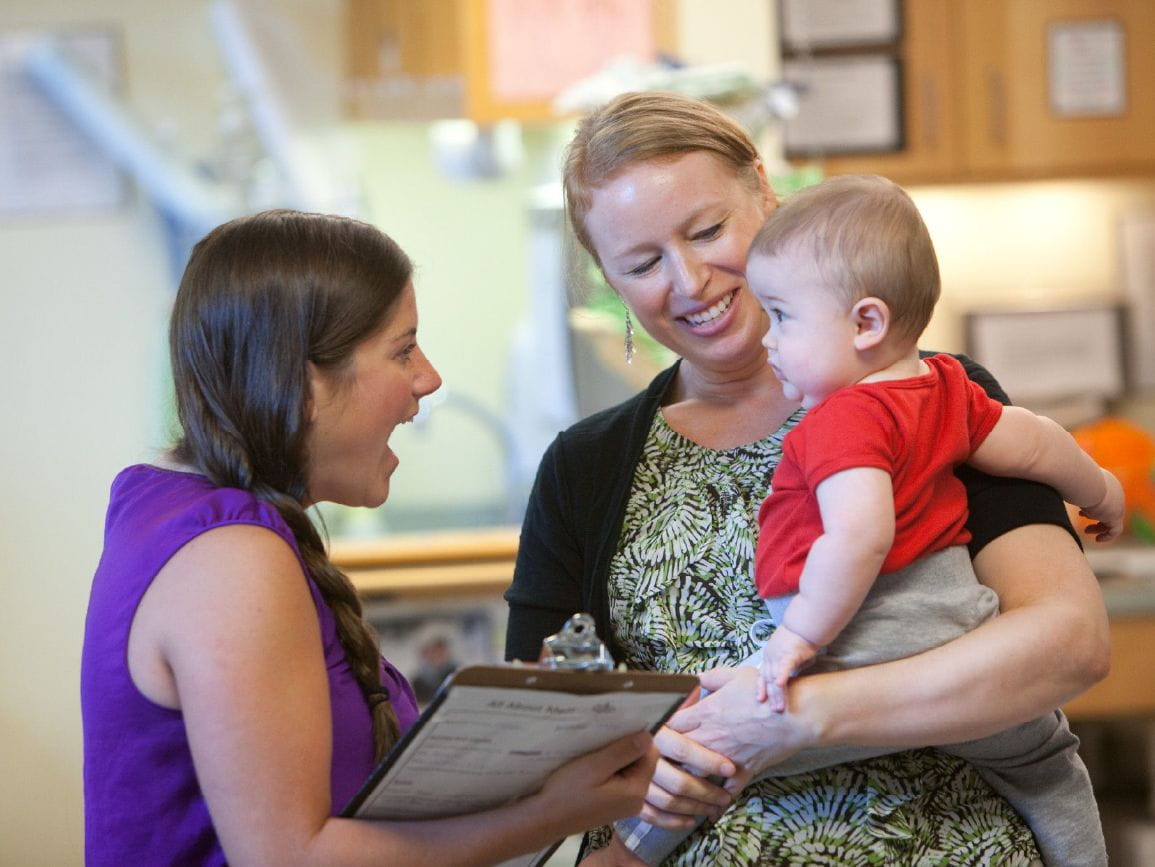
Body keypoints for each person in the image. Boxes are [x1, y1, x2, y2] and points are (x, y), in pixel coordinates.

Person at [504, 91, 1112, 865]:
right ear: (608, 280)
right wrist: (630, 771)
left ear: (764, 190)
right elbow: (533, 739)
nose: (689, 281)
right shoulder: (583, 467)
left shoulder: (926, 397)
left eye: (706, 230)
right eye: (642, 262)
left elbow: (1069, 644)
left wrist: (792, 714)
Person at [81, 209, 658, 867]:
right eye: (403, 349)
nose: (428, 378)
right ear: (302, 384)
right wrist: (554, 813)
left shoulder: (173, 509)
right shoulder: (229, 558)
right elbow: (289, 858)